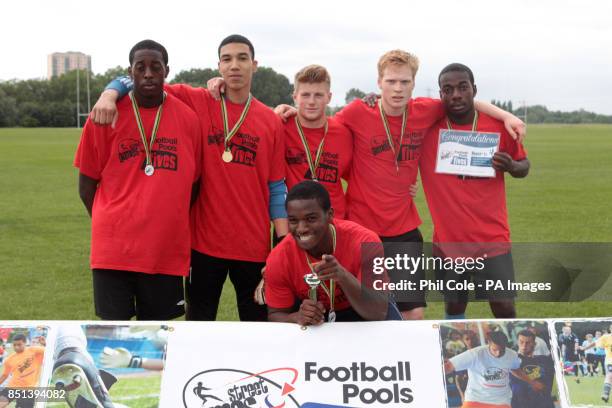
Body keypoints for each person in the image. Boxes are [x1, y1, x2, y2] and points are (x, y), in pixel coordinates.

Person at [266, 50, 526, 320]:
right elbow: (319, 120)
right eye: (391, 81)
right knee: (357, 312)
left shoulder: (425, 110)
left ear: (414, 83)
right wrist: (298, 109)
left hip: (404, 231)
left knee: (413, 315)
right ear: (379, 83)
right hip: (362, 230)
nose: (398, 88)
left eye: (405, 82)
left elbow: (462, 99)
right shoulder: (357, 112)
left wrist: (506, 115)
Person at [91, 34, 288, 321]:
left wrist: (281, 243)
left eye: (242, 58)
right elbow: (144, 78)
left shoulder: (270, 120)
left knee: (258, 326)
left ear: (254, 65)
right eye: (227, 59)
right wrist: (109, 92)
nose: (235, 65)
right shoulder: (198, 100)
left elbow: (276, 186)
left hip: (254, 245)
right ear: (218, 66)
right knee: (197, 327)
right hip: (203, 245)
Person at [75, 39, 203, 320]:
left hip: (164, 251)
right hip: (113, 251)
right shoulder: (104, 115)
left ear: (166, 71)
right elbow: (86, 185)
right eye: (140, 67)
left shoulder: (188, 119)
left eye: (155, 67)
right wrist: (108, 221)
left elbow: (193, 185)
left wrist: (166, 219)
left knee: (160, 341)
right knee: (113, 335)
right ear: (129, 72)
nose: (147, 73)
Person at [420, 63, 530, 320]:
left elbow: (525, 165)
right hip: (448, 241)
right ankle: (453, 355)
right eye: (448, 89)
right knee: (454, 305)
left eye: (462, 87)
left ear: (474, 90)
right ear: (440, 95)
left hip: (492, 239)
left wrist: (512, 166)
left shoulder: (498, 126)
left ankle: (515, 359)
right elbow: (397, 105)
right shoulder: (427, 129)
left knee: (504, 306)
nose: (456, 94)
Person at [265, 181, 388, 325]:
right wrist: (296, 317)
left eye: (311, 219)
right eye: (293, 220)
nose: (301, 228)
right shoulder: (279, 257)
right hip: (316, 318)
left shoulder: (366, 242)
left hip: (361, 309)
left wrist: (342, 275)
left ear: (329, 215)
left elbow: (378, 312)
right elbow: (275, 314)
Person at [444, 331, 544, 408]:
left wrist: (532, 382)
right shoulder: (475, 354)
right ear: (489, 343)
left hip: (501, 400)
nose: (498, 354)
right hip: (475, 399)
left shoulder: (512, 355)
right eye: (494, 350)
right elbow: (449, 366)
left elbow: (515, 369)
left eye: (501, 350)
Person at [510, 330, 555, 408]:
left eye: (528, 343)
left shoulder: (544, 360)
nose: (524, 345)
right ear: (517, 342)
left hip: (544, 403)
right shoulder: (512, 360)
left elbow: (549, 381)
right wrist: (533, 383)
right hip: (521, 404)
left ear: (534, 344)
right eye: (521, 342)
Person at [0, 334, 45, 408]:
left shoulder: (34, 351)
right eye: (14, 345)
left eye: (19, 344)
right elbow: (5, 375)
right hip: (12, 387)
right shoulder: (9, 359)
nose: (16, 347)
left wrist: (44, 344)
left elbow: (51, 353)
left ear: (25, 343)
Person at [582, 325, 612, 402]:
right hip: (610, 360)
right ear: (610, 329)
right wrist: (585, 348)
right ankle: (606, 394)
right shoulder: (606, 337)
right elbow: (595, 343)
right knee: (610, 375)